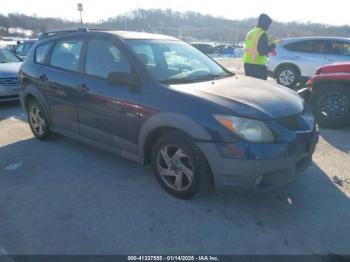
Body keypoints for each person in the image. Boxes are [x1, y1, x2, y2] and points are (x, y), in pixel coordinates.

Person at [243, 14, 276, 80]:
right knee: (260, 88)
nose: (268, 27)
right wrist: (272, 46)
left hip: (247, 64)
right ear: (264, 23)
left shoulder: (250, 32)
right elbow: (263, 52)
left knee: (251, 87)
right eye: (268, 24)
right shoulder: (262, 34)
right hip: (258, 66)